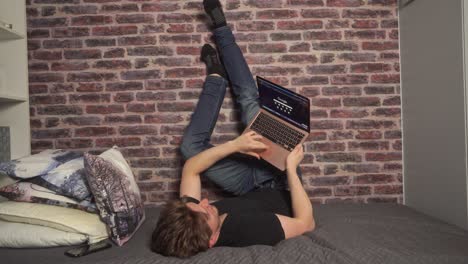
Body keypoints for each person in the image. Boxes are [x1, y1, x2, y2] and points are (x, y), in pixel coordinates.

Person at [151, 0, 315, 258]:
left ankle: (216, 77)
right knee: (251, 105)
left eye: (199, 205)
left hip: (249, 186)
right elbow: (306, 224)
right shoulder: (248, 230)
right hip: (281, 178)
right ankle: (222, 29)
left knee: (189, 149)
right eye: (207, 211)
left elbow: (191, 167)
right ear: (213, 239)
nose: (204, 202)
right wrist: (292, 169)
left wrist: (236, 145)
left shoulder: (191, 219)